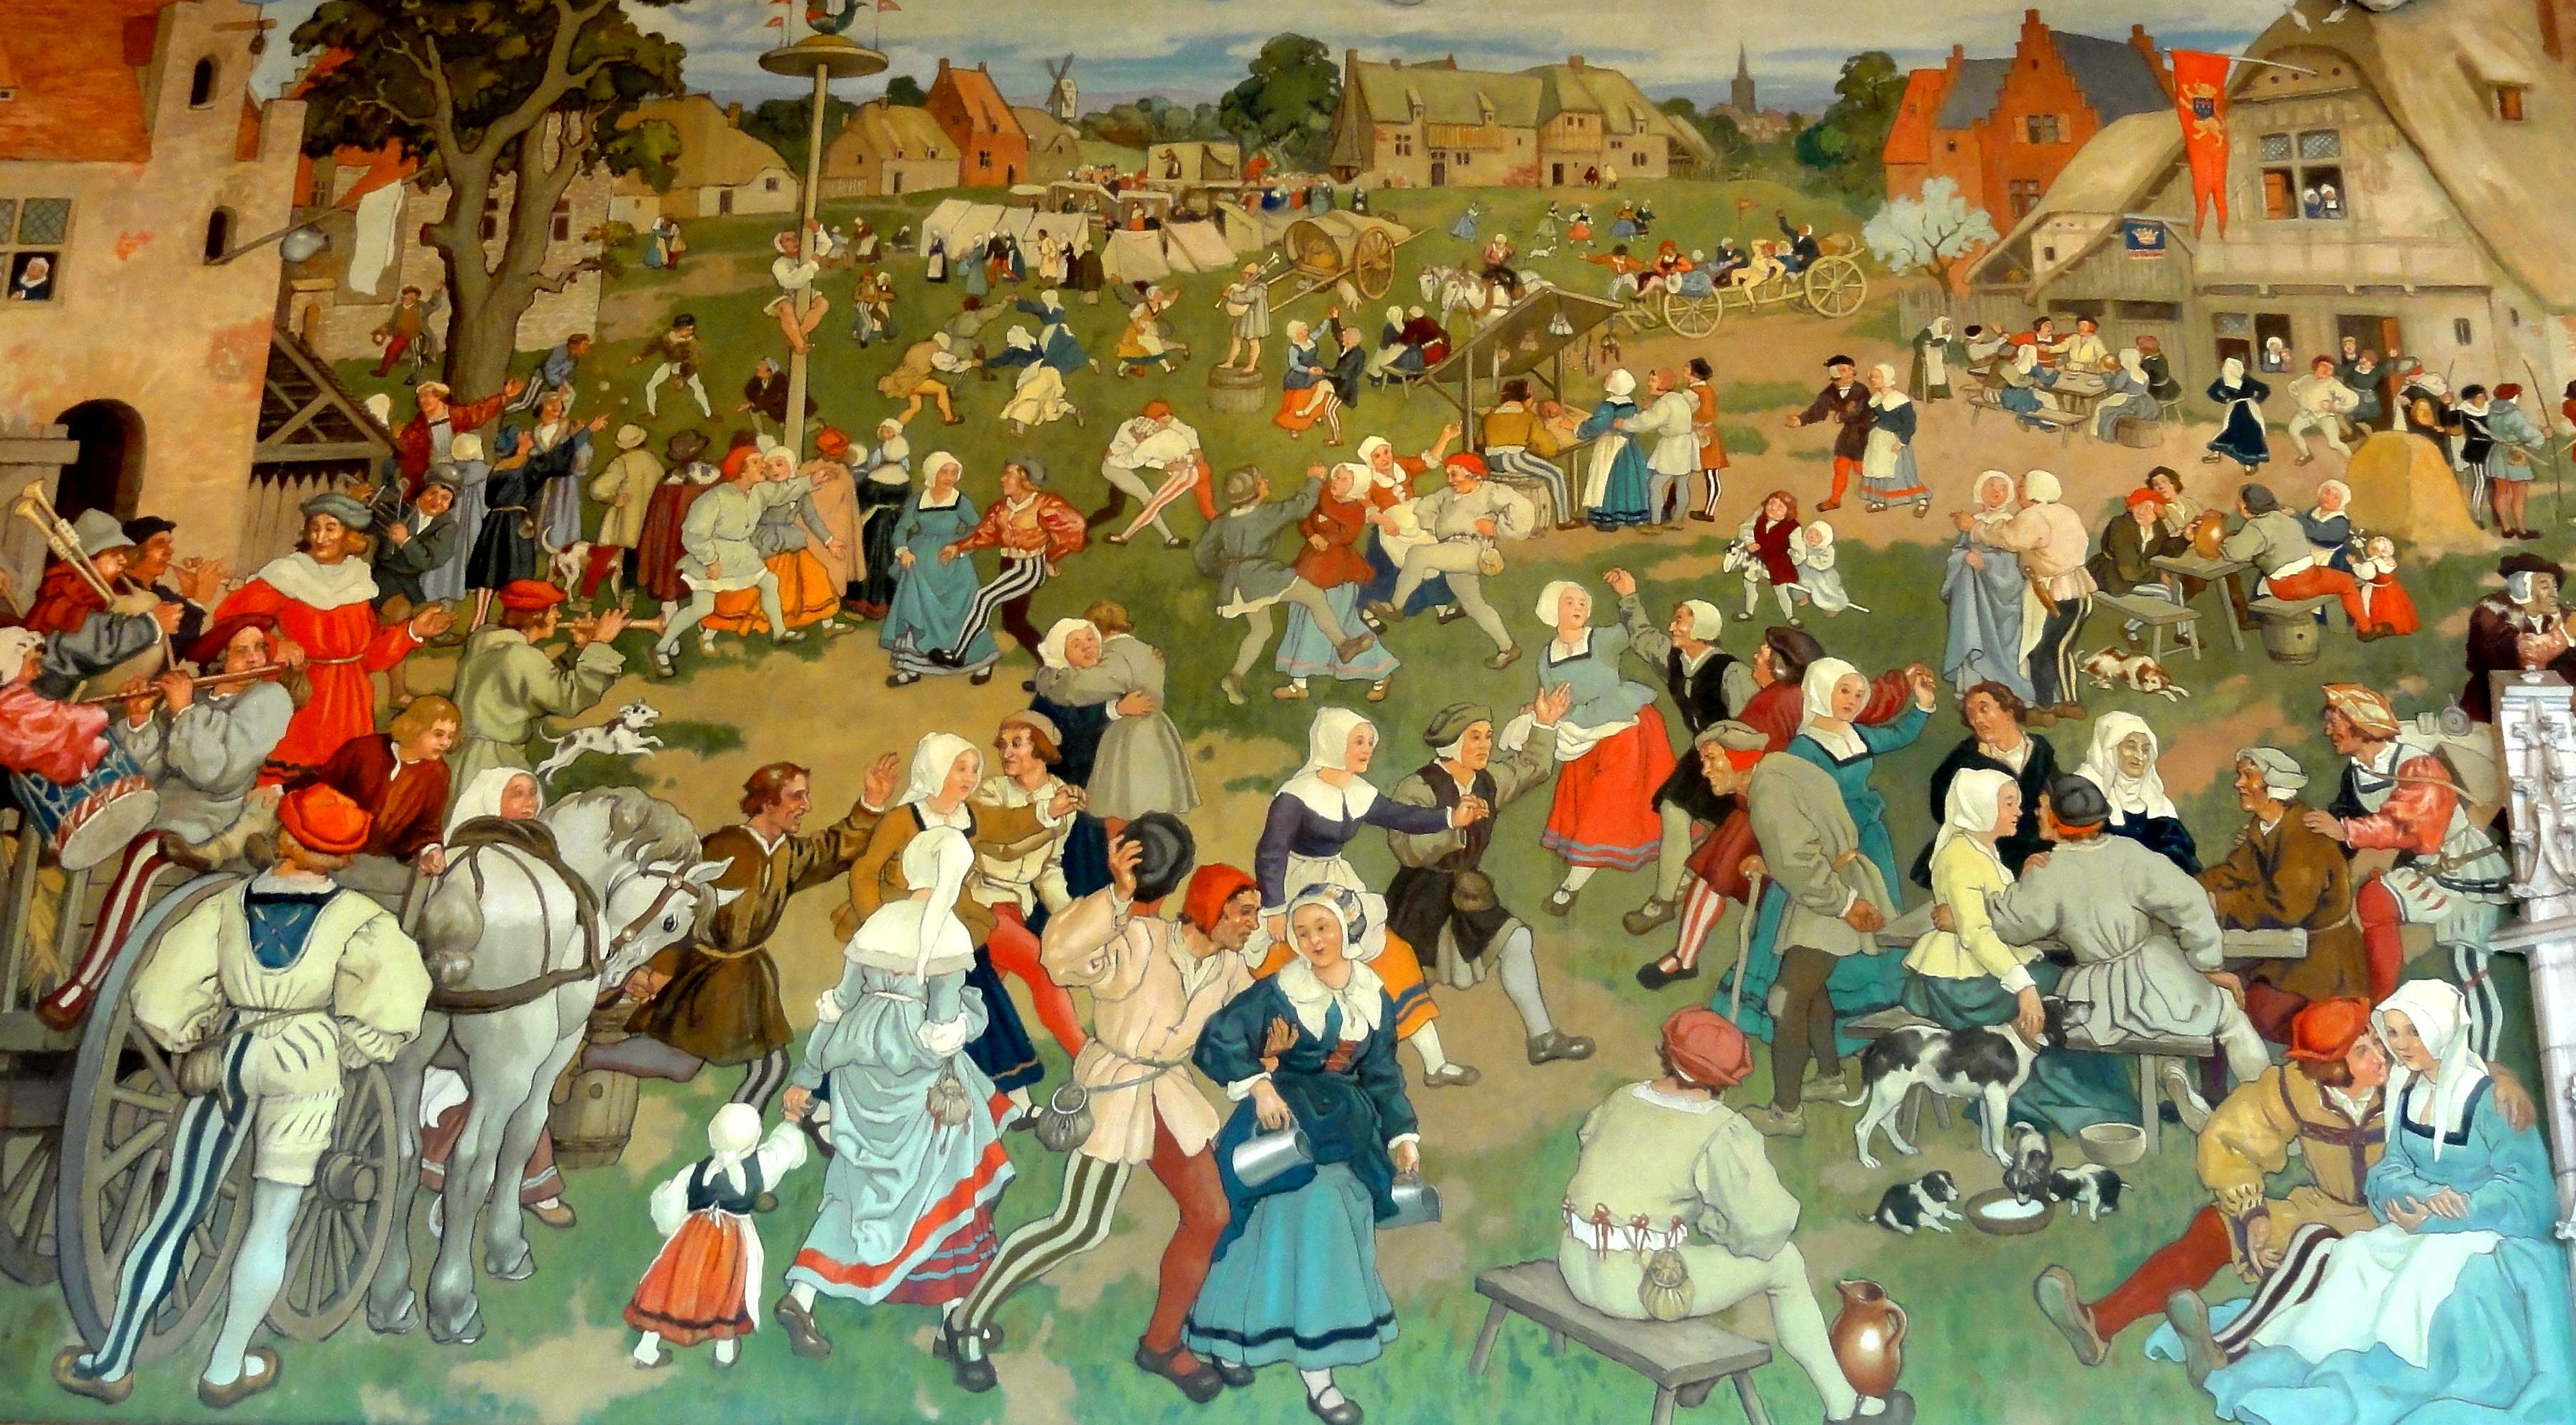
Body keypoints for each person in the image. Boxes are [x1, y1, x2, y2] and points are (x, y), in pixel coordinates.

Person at [54, 785, 428, 1410]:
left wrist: (192, 1037)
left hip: (230, 1051)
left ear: (283, 836)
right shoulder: (361, 918)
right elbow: (392, 1004)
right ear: (343, 858)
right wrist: (348, 1046)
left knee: (178, 1207)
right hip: (308, 1058)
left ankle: (113, 1360)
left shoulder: (226, 904)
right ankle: (226, 1368)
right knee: (273, 1219)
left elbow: (162, 991)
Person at [2171, 982, 2570, 1418]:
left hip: (2484, 1230)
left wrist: (2450, 1209)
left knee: (2413, 1276)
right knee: (2354, 1256)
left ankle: (2377, 1375)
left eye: (2410, 1033)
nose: (2396, 1048)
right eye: (2391, 1033)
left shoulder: (2492, 1099)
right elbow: (2390, 1169)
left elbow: (2529, 1191)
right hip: (2409, 1223)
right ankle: (2266, 1357)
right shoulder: (2408, 1091)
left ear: (2440, 1030)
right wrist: (2418, 1199)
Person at [942, 830, 1246, 1400]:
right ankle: (964, 1320)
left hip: (1168, 1095)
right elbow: (1060, 960)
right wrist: (1117, 895)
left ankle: (1162, 1344)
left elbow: (1244, 1028)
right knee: (1079, 1226)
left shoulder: (1229, 968)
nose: (1253, 923)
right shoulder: (1139, 939)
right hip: (1115, 1091)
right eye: (1243, 912)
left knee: (1210, 1214)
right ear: (1210, 908)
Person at [1560, 1007, 1903, 1425]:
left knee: (1701, 1258)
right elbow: (1766, 1227)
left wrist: (1698, 1215)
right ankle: (1846, 1409)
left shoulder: (1624, 1097)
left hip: (1575, 1263)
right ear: (1726, 1078)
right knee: (1784, 1264)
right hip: (1633, 1288)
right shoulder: (1719, 1127)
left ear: (1666, 1054)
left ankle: (1699, 1373)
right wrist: (1722, 1226)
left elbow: (1593, 1147)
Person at [2031, 997, 2396, 1368]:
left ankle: (2227, 1351)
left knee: (2318, 1257)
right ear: (2331, 1068)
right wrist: (2253, 1214)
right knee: (2216, 1227)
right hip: (2324, 1209)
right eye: (2362, 1051)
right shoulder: (2296, 1087)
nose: (2380, 1055)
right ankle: (2099, 1323)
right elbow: (2227, 1137)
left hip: (2396, 1223)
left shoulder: (2406, 1087)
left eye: (2373, 1041)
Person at [1182, 885, 1425, 1425]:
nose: (1314, 940)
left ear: (1346, 929)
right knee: (1269, 1230)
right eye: (1303, 930)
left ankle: (1319, 1372)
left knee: (1336, 1227)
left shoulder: (1372, 993)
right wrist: (1260, 1085)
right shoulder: (1280, 991)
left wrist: (1402, 1135)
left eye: (1324, 927)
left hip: (1347, 1130)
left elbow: (1382, 1073)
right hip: (1283, 1125)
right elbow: (1217, 1039)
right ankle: (1231, 1339)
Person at [774, 829, 1014, 1353]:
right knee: (948, 1189)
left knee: (854, 1185)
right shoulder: (946, 932)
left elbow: (837, 1004)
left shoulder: (878, 923)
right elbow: (940, 1032)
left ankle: (802, 1295)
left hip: (859, 1074)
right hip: (919, 1079)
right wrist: (972, 1018)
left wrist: (807, 1076)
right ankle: (955, 1323)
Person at [840, 734, 1084, 1120]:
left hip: (956, 928)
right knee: (885, 1020)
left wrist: (1049, 809)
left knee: (987, 1005)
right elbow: (865, 871)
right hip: (904, 932)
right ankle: (836, 1104)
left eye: (974, 769)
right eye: (960, 769)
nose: (970, 777)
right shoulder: (903, 819)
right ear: (936, 770)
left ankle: (1014, 1098)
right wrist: (881, 925)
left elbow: (1008, 824)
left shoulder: (969, 815)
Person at [1989, 776, 2271, 1095]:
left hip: (2097, 1000)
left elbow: (2011, 926)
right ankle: (2266, 1098)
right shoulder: (2129, 853)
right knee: (2228, 1015)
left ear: (2057, 818)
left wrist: (2024, 878)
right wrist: (2209, 966)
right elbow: (2190, 900)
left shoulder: (2048, 872)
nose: (2036, 813)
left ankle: (2175, 1076)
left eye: (2042, 807)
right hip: (2157, 978)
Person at [1256, 707, 1489, 1087]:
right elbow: (1271, 853)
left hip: (1336, 884)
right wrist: (1275, 908)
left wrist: (1452, 818)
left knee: (1390, 956)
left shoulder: (1357, 791)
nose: (1367, 750)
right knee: (1302, 975)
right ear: (1333, 744)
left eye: (1369, 742)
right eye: (1358, 742)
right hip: (1294, 889)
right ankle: (1308, 1071)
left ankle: (1435, 1063)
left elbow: (1402, 817)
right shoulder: (1296, 796)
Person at [1385, 693, 1593, 1065]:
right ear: (1452, 743)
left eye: (1488, 736)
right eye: (1475, 737)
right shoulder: (1418, 788)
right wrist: (1454, 827)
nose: (1485, 745)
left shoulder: (1488, 781)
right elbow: (1406, 849)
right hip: (1420, 898)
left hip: (1467, 893)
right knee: (1408, 980)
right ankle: (1364, 1051)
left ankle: (1543, 1038)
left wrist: (1544, 724)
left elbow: (1531, 767)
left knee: (1516, 939)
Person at [411, 767, 577, 1230]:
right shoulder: (456, 861)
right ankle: (455, 1184)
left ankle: (527, 1187)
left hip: (515, 1003)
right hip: (459, 1001)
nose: (529, 803)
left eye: (532, 794)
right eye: (516, 794)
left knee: (521, 1075)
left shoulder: (541, 865)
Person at [2314, 683, 2514, 1056]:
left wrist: (2346, 831)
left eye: (2334, 722)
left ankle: (2484, 1058)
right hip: (2426, 868)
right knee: (2374, 899)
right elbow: (2343, 819)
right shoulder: (2357, 774)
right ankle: (2383, 1004)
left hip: (2464, 867)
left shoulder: (2416, 764)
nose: (2328, 730)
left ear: (2360, 723)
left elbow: (2412, 826)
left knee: (2469, 968)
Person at [213, 494, 451, 784]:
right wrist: (273, 646)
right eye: (315, 528)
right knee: (293, 786)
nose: (320, 537)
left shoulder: (358, 579)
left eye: (330, 528)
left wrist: (413, 631)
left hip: (352, 702)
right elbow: (230, 619)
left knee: (344, 787)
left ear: (349, 535)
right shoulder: (288, 574)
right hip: (305, 694)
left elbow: (370, 656)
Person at [1605, 570, 1752, 936]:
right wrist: (1628, 596)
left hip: (1736, 759)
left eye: (1681, 621)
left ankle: (1687, 878)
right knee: (1673, 808)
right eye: (1674, 620)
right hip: (1703, 754)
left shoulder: (1731, 671)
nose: (1673, 626)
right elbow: (1642, 636)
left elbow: (1750, 727)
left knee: (1729, 827)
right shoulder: (1675, 659)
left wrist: (1728, 759)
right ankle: (1663, 901)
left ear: (1702, 629)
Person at [2198, 747, 2370, 1041]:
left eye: (2248, 776)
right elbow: (2234, 872)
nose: (2238, 783)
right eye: (2240, 775)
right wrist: (2188, 889)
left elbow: (2284, 907)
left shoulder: (2305, 837)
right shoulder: (2265, 827)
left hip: (2324, 965)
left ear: (2274, 787)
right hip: (2288, 955)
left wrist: (2220, 904)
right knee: (2211, 995)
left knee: (2246, 1010)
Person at [1527, 581, 1678, 913]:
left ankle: (1571, 885)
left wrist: (1628, 596)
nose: (1578, 607)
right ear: (1553, 609)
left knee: (1606, 806)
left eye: (1583, 602)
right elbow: (1551, 698)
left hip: (1624, 729)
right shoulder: (1547, 656)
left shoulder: (1601, 640)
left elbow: (1636, 632)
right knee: (1583, 807)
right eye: (1569, 602)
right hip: (1582, 736)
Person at [625, 1101, 809, 1371]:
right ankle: (724, 1352)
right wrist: (791, 1122)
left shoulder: (696, 1170)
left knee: (672, 1287)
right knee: (726, 1292)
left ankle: (647, 1349)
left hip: (692, 1239)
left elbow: (670, 1203)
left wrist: (673, 1224)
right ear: (754, 1139)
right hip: (730, 1243)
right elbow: (784, 1151)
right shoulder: (760, 1166)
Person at [1198, 464, 1379, 706]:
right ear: (1254, 492)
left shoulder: (1224, 521)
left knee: (1261, 630)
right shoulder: (1265, 515)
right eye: (1261, 481)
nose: (1266, 481)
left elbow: (1202, 553)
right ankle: (1343, 644)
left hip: (1239, 582)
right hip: (1262, 577)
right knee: (1313, 595)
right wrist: (1315, 479)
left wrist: (1225, 571)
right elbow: (1301, 506)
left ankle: (1235, 676)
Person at [121, 614, 295, 858]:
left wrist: (185, 712)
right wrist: (140, 719)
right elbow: (147, 773)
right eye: (241, 651)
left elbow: (216, 774)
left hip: (210, 818)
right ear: (220, 659)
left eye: (259, 647)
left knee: (144, 852)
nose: (255, 658)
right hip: (157, 808)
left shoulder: (270, 697)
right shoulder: (196, 697)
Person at [647, 440, 814, 678]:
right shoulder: (715, 497)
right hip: (713, 555)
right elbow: (693, 533)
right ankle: (661, 649)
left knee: (769, 582)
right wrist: (710, 561)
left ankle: (779, 632)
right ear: (740, 469)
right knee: (702, 608)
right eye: (755, 462)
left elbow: (783, 492)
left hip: (741, 554)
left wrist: (811, 481)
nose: (763, 466)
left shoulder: (759, 492)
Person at [446, 578, 625, 795]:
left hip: (463, 755)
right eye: (553, 610)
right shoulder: (520, 655)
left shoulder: (485, 641)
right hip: (493, 761)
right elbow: (567, 698)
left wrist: (579, 649)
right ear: (536, 616)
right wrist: (600, 644)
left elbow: (536, 686)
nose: (558, 616)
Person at [1031, 605, 1199, 821]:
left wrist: (1045, 677)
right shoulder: (1146, 652)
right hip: (1148, 735)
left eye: (1090, 638)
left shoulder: (1111, 658)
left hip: (1130, 737)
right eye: (1077, 644)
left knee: (1130, 802)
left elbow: (1078, 688)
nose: (1088, 647)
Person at [1367, 452, 1530, 671]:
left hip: (1473, 548)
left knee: (1418, 554)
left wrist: (1498, 529)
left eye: (1455, 474)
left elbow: (1524, 510)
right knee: (1474, 604)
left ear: (1471, 473)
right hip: (1452, 550)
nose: (1450, 479)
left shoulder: (1489, 492)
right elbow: (1423, 508)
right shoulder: (1447, 494)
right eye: (1448, 475)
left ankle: (1396, 606)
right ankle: (1508, 647)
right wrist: (1438, 526)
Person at [1959, 469, 2093, 721]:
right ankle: (2063, 702)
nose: (2017, 491)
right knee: (2059, 648)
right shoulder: (2066, 512)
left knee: (2041, 648)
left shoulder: (2033, 516)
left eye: (2021, 487)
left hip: (2050, 590)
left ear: (2034, 491)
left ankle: (2049, 706)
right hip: (2077, 587)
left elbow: (2008, 538)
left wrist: (1975, 527)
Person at [929, 457, 1085, 670]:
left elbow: (1076, 527)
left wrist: (1051, 557)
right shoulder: (1002, 508)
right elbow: (986, 534)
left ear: (1025, 480)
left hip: (1029, 568)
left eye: (1009, 475)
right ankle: (1052, 667)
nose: (1002, 479)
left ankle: (958, 655)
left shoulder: (1044, 504)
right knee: (1014, 624)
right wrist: (958, 547)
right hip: (1009, 565)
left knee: (985, 597)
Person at [288, 694, 456, 880]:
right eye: (438, 734)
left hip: (381, 863)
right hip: (330, 848)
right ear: (414, 728)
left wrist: (431, 850)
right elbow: (323, 782)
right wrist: (281, 790)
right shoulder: (364, 749)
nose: (446, 743)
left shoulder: (438, 773)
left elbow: (427, 827)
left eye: (450, 736)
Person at [1910, 681, 2058, 888]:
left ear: (2009, 710)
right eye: (1971, 714)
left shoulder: (2040, 748)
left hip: (2037, 846)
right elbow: (1941, 807)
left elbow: (2054, 795)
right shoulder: (1965, 758)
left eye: (1984, 709)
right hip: (1991, 850)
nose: (1977, 719)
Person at [1275, 463, 1403, 702]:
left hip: (1337, 573)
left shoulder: (1355, 510)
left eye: (1344, 480)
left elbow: (1347, 534)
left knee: (1344, 625)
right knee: (1303, 618)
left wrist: (1325, 534)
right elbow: (1306, 518)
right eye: (1336, 477)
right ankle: (1299, 682)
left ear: (1356, 488)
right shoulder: (1322, 495)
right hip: (1311, 565)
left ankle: (1381, 673)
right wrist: (1312, 534)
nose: (1336, 481)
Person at [880, 453, 998, 688]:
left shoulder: (960, 501)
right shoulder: (918, 500)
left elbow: (979, 531)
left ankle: (981, 661)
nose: (949, 478)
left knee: (964, 611)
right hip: (920, 564)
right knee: (915, 607)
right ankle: (912, 668)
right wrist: (904, 551)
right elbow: (901, 530)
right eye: (944, 472)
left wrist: (959, 548)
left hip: (953, 564)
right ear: (932, 473)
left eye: (954, 472)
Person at [2220, 482, 2373, 634]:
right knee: (2346, 581)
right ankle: (2366, 628)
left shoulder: (2256, 527)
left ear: (2245, 508)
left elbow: (2235, 553)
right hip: (2310, 575)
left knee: (2342, 580)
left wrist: (2226, 541)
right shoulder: (2287, 519)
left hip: (2287, 586)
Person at [1941, 472, 2035, 704]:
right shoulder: (1973, 520)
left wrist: (1986, 564)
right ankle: (1974, 686)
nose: (1996, 492)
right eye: (1991, 486)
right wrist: (1965, 559)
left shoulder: (2011, 522)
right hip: (1972, 593)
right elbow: (1959, 551)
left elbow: (2013, 560)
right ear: (1980, 489)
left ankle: (2007, 689)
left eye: (2003, 488)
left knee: (2005, 640)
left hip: (2002, 596)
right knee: (1973, 633)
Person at [2070, 711, 2200, 874]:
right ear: (2109, 749)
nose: (2140, 756)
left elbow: (2183, 860)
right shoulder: (2080, 794)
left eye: (2145, 750)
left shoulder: (2158, 803)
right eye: (2131, 747)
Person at [2462, 552, 2576, 721]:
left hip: (2551, 712)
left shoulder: (2561, 616)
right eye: (2545, 587)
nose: (2554, 594)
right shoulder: (2493, 613)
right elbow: (2523, 655)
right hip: (2494, 710)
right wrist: (2565, 634)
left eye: (2554, 586)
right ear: (2522, 589)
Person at [1105, 401, 1208, 545]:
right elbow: (1147, 460)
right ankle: (1128, 537)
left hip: (1191, 472)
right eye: (1163, 417)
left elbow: (1133, 461)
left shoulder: (1149, 443)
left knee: (1154, 504)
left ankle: (1124, 538)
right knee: (1206, 510)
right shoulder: (1148, 434)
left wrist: (1111, 459)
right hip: (1192, 470)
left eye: (1136, 435)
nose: (1168, 420)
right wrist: (1166, 466)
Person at [1785, 356, 1872, 512]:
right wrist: (1801, 420)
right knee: (1841, 466)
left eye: (1850, 369)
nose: (1849, 373)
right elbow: (1819, 410)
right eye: (1844, 370)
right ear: (1835, 375)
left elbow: (1857, 410)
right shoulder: (1829, 393)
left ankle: (1882, 495)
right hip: (1849, 434)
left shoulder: (1861, 390)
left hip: (1867, 431)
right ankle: (1834, 500)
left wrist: (1842, 416)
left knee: (1862, 469)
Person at [849, 420, 912, 620]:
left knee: (872, 559)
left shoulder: (876, 477)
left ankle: (867, 602)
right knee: (890, 559)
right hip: (895, 521)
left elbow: (860, 500)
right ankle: (890, 601)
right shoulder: (904, 478)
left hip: (875, 523)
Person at [1575, 369, 1652, 530]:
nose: (1605, 378)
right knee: (1628, 479)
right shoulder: (1630, 404)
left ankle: (1607, 517)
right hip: (1628, 446)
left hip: (1610, 445)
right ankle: (1628, 514)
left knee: (1606, 478)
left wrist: (1578, 429)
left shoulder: (1608, 406)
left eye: (1609, 377)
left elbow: (1597, 425)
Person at [1632, 368, 1701, 527]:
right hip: (1686, 444)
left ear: (1663, 383)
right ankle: (1677, 520)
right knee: (1681, 484)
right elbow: (1668, 415)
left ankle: (1655, 523)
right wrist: (1652, 407)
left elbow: (1647, 422)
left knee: (1655, 485)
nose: (1649, 384)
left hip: (1673, 446)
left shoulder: (1664, 404)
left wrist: (1625, 424)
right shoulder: (1678, 398)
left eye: (1653, 381)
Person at [1858, 363, 1928, 517]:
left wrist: (1902, 442)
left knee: (1900, 472)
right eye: (1872, 377)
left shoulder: (1900, 400)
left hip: (1893, 442)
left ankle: (1922, 501)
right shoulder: (1876, 398)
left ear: (1887, 378)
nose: (1873, 380)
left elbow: (1909, 423)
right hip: (1878, 440)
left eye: (1877, 377)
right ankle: (1880, 500)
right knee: (1877, 470)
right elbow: (1872, 417)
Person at [2480, 381, 2548, 539]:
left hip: (2497, 453)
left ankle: (2506, 528)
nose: (2520, 398)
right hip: (2514, 454)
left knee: (2501, 492)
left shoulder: (2491, 410)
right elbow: (2527, 433)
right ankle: (2522, 530)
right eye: (2519, 395)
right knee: (2519, 493)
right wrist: (2544, 435)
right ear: (2514, 396)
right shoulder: (2513, 413)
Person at [1734, 489, 1806, 624]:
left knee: (1781, 591)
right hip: (1757, 558)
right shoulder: (1760, 515)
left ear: (1788, 511)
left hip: (1777, 564)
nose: (1773, 508)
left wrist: (1785, 562)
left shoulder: (1792, 528)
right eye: (1771, 503)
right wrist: (1750, 542)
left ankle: (1790, 616)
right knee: (1749, 584)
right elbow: (1745, 528)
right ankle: (1749, 612)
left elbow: (1800, 553)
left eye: (1780, 507)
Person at [2286, 356, 2360, 465]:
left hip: (2325, 416)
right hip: (2306, 414)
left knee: (2334, 443)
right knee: (2293, 431)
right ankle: (2306, 455)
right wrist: (2300, 399)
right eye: (2324, 366)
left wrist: (2333, 407)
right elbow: (2292, 387)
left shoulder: (2333, 384)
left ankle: (2353, 461)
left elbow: (2352, 399)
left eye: (2330, 369)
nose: (2326, 370)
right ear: (2316, 366)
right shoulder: (2307, 379)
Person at [2205, 357, 2273, 470]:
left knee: (2246, 432)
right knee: (2236, 431)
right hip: (2238, 410)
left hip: (2247, 409)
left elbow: (2265, 389)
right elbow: (2211, 392)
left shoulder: (2243, 380)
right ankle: (2219, 455)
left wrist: (2257, 400)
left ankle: (2248, 464)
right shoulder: (2228, 381)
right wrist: (2224, 400)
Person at [2092, 348, 2163, 443]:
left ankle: (2105, 436)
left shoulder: (2125, 373)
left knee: (2104, 408)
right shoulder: (2142, 373)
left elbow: (2116, 387)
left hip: (2130, 400)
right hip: (2145, 401)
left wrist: (2106, 375)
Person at [1218, 262, 1271, 372]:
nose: (1244, 276)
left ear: (1252, 275)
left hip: (1253, 319)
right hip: (1244, 317)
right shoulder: (1249, 285)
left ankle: (1251, 366)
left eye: (1246, 274)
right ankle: (1230, 362)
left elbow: (1247, 298)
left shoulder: (1258, 288)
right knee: (1236, 338)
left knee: (1253, 342)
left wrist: (1230, 295)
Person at [1908, 316, 1956, 402]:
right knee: (1926, 375)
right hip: (1926, 355)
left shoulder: (1946, 337)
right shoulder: (1928, 332)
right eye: (1946, 326)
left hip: (1937, 357)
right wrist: (1922, 355)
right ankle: (1925, 395)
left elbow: (1943, 346)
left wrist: (1946, 356)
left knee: (1939, 375)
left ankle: (1940, 394)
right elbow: (1917, 342)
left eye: (1949, 326)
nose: (1948, 329)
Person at [2137, 333, 2182, 406]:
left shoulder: (2147, 364)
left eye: (2139, 348)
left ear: (2146, 350)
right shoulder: (2161, 357)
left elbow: (2143, 378)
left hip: (2159, 392)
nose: (2137, 349)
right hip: (2171, 388)